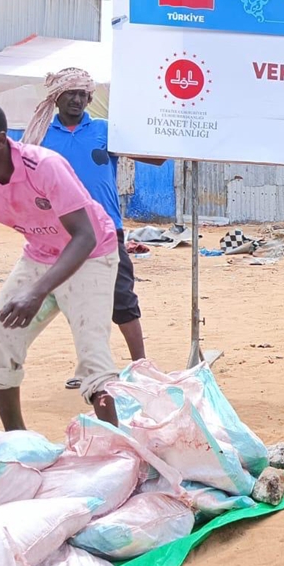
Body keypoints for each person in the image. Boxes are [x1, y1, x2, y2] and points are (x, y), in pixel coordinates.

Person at [0, 98, 120, 430]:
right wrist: (35, 288)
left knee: (93, 357)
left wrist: (37, 292)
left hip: (91, 255)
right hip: (39, 254)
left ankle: (118, 446)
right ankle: (17, 439)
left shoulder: (44, 166)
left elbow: (84, 236)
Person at [21, 68, 166, 389]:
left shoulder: (105, 130)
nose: (77, 100)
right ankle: (89, 368)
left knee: (122, 298)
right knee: (80, 302)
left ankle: (141, 367)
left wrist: (170, 132)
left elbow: (156, 159)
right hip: (61, 234)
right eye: (70, 93)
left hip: (106, 230)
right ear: (56, 97)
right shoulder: (41, 136)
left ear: (89, 99)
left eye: (83, 95)